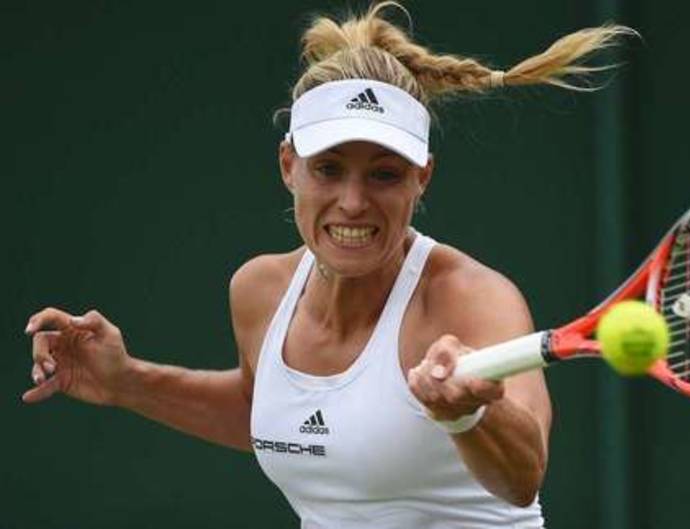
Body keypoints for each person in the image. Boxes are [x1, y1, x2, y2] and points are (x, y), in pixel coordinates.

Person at [23, 2, 631, 527]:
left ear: (422, 179)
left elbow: (523, 477)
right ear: (289, 166)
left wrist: (471, 413)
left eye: (384, 175)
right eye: (329, 169)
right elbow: (273, 416)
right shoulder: (258, 289)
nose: (353, 202)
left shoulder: (472, 298)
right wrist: (128, 381)